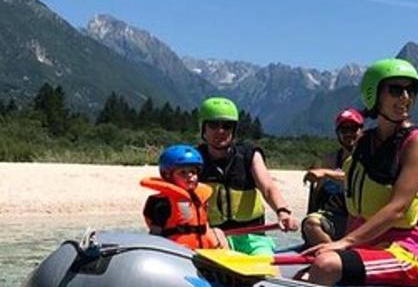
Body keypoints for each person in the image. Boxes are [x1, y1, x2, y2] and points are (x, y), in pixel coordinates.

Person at [302, 58, 418, 287]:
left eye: (410, 90)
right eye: (396, 90)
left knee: (326, 265)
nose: (405, 97)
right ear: (374, 94)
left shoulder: (417, 142)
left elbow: (398, 208)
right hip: (365, 246)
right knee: (306, 273)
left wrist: (345, 242)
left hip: (405, 252)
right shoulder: (365, 142)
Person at [195, 96, 298, 255]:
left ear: (234, 129)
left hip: (252, 238)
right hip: (212, 236)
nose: (220, 131)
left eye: (227, 126)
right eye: (213, 125)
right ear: (203, 128)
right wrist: (207, 230)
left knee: (265, 266)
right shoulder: (194, 161)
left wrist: (282, 211)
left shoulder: (249, 155)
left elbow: (268, 187)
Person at [141, 144, 228, 250]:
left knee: (218, 232)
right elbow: (155, 234)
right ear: (168, 176)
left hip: (202, 251)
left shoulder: (198, 198)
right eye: (183, 172)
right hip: (177, 252)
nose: (190, 176)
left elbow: (203, 225)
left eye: (193, 172)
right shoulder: (162, 202)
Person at [301, 107, 364, 246]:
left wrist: (327, 173)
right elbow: (319, 193)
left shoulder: (369, 157)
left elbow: (356, 178)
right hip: (336, 217)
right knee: (310, 224)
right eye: (344, 130)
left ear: (361, 130)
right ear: (338, 133)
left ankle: (338, 257)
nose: (349, 134)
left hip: (361, 220)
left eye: (353, 129)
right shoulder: (331, 159)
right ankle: (335, 254)